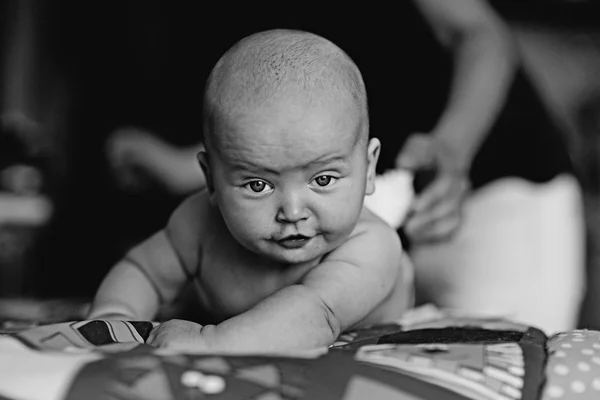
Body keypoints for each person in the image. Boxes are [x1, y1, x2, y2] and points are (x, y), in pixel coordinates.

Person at [88, 29, 414, 354]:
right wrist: (115, 318)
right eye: (259, 185)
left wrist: (211, 343)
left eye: (323, 179)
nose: (293, 211)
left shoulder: (370, 246)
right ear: (211, 179)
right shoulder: (198, 222)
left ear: (368, 169)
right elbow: (143, 271)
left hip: (354, 308)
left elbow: (314, 316)